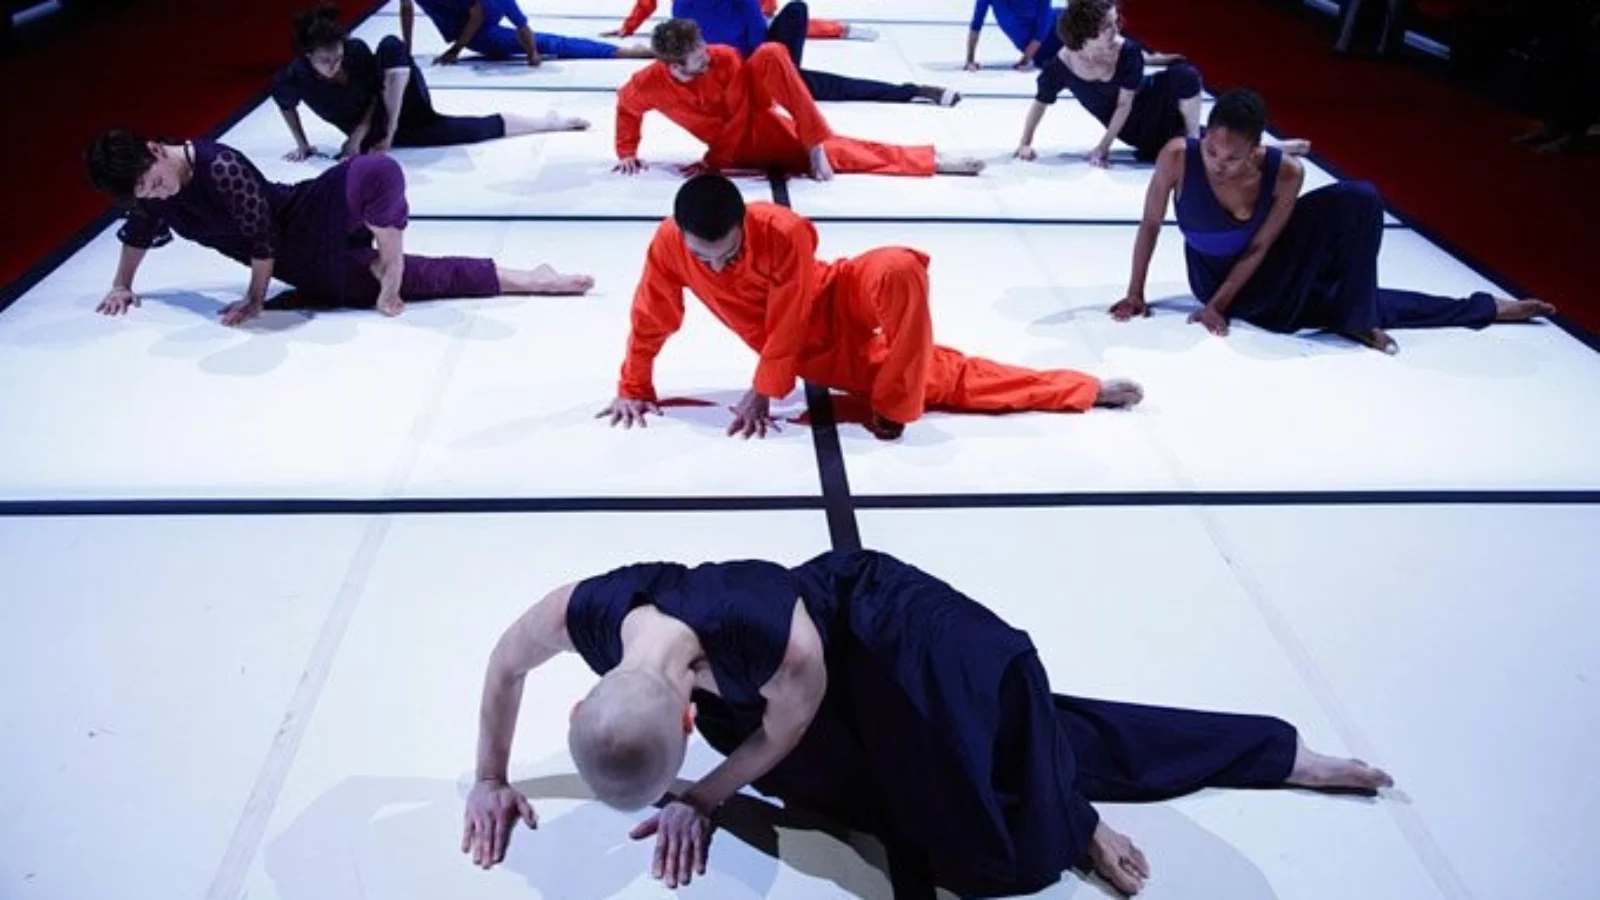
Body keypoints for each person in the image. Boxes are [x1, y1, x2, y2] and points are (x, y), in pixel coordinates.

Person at [459, 548, 1396, 897]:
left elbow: (780, 731)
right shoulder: (583, 611)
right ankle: (1062, 797)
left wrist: (704, 796)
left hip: (874, 632)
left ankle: (1272, 753)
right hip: (784, 699)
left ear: (690, 708)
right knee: (947, 840)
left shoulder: (769, 643)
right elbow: (504, 664)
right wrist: (491, 778)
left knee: (1009, 834)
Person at [597, 175, 1139, 441]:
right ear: (682, 236)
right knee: (948, 378)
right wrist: (634, 384)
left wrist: (763, 391)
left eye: (728, 253)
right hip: (816, 351)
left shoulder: (781, 230)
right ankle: (1081, 389)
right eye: (702, 257)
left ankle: (896, 399)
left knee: (899, 267)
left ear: (744, 223)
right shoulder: (668, 244)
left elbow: (788, 310)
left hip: (833, 294)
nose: (715, 268)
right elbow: (653, 314)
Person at [1110, 89, 1555, 353]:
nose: (1219, 164)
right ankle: (1484, 309)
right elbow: (1150, 224)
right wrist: (1136, 293)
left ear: (1256, 149)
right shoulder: (1177, 157)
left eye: (1234, 157)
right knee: (1334, 302)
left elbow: (1262, 246)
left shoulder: (1285, 171)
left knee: (1361, 198)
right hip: (1218, 278)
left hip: (1266, 262)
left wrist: (1219, 307)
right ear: (1203, 136)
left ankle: (1357, 314)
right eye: (1212, 151)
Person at [83, 132, 594, 326]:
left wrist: (257, 301)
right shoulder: (150, 195)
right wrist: (123, 283)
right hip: (306, 266)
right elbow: (140, 229)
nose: (156, 194)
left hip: (301, 217)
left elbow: (263, 238)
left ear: (156, 150)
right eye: (144, 193)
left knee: (376, 170)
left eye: (154, 182)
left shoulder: (218, 165)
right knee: (425, 281)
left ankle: (389, 248)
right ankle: (533, 277)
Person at [615, 20, 983, 182]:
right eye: (698, 57)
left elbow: (746, 110)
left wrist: (713, 162)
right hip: (737, 148)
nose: (707, 55)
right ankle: (936, 160)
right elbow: (627, 107)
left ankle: (817, 142)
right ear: (674, 64)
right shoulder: (646, 84)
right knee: (849, 152)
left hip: (761, 125)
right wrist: (626, 151)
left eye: (703, 47)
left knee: (773, 52)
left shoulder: (722, 56)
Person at [274, 4, 590, 161]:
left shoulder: (354, 53)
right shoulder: (295, 76)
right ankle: (548, 121)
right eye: (325, 61)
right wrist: (303, 145)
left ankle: (551, 121)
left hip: (400, 109)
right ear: (308, 56)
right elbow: (285, 104)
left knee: (390, 45)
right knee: (474, 129)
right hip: (383, 135)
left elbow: (377, 92)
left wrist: (375, 133)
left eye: (337, 58)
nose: (334, 66)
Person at [608, 0, 960, 106]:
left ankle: (913, 91)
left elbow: (763, 38)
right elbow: (681, 46)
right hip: (727, 71)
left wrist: (778, 78)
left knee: (796, 12)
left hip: (762, 61)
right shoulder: (683, 6)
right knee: (833, 87)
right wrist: (627, 28)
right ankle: (913, 91)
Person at [1015, 0, 1201, 166]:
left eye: (1115, 22)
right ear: (1085, 31)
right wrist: (1025, 143)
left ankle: (1194, 142)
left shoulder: (1127, 51)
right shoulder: (1061, 66)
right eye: (1107, 26)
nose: (1115, 30)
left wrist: (1102, 147)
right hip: (1132, 131)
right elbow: (1040, 104)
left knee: (1186, 75)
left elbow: (1124, 103)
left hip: (1159, 108)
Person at [398, 0, 656, 65]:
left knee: (550, 44)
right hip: (472, 24)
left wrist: (455, 50)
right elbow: (406, 9)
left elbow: (479, 15)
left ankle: (619, 52)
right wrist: (405, 50)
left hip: (478, 28)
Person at [966, 0, 1063, 71]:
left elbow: (1042, 31)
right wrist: (970, 60)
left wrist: (1025, 59)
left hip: (1060, 29)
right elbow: (976, 25)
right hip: (1042, 50)